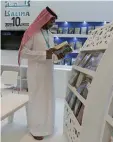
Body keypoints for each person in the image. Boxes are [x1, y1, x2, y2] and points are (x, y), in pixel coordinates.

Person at [18, 7, 71, 140]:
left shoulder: (50, 35)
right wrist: (45, 54)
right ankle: (35, 129)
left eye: (53, 21)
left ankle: (47, 127)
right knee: (37, 100)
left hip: (48, 73)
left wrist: (59, 55)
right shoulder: (32, 33)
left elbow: (50, 55)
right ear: (44, 19)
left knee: (48, 100)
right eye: (51, 21)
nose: (52, 23)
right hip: (36, 73)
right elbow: (24, 52)